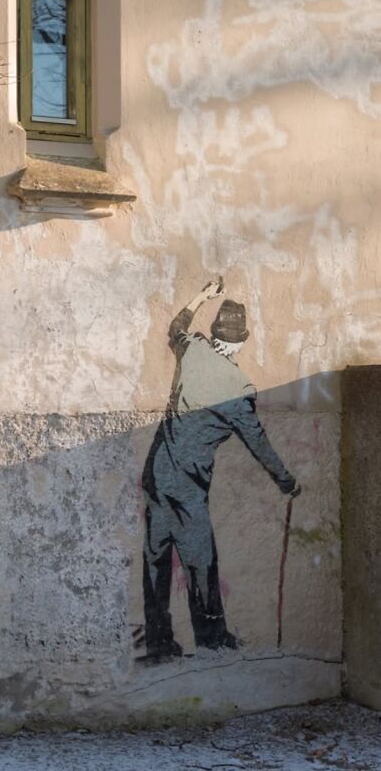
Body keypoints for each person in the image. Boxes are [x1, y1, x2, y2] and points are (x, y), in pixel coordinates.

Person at [136, 279, 300, 663]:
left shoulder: (191, 349)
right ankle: (211, 639)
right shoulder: (238, 391)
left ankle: (160, 643)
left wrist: (200, 297)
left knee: (156, 558)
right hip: (188, 486)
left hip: (156, 475)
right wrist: (286, 482)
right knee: (201, 561)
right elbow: (260, 445)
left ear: (214, 334)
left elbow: (175, 326)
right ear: (241, 342)